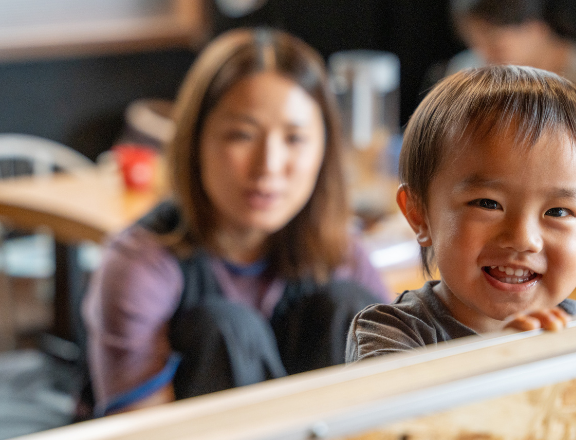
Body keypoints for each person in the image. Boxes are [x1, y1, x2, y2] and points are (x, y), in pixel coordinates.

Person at [82, 28, 391, 415]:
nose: (269, 167)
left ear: (324, 150)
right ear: (195, 142)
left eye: (295, 139)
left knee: (349, 306)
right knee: (224, 329)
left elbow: (406, 394)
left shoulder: (339, 249)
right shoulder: (139, 264)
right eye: (242, 135)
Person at [346, 65, 576, 362]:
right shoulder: (392, 334)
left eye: (558, 211)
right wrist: (497, 362)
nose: (522, 238)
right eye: (488, 204)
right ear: (419, 214)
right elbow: (401, 407)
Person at [441, 0, 576, 151]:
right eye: (474, 42)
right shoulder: (466, 68)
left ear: (537, 29)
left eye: (495, 45)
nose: (483, 56)